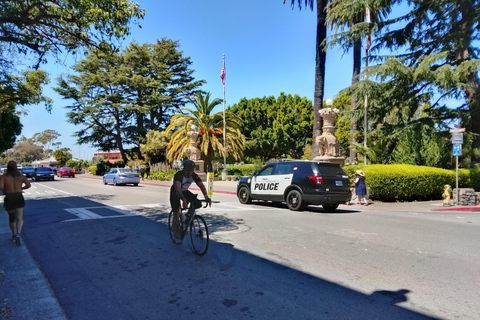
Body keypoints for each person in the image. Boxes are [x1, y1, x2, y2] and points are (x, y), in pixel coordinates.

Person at [170, 159, 211, 244]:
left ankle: (187, 215)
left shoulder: (194, 175)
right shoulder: (179, 175)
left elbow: (201, 186)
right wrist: (184, 200)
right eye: (189, 170)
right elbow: (177, 189)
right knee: (176, 213)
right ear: (184, 169)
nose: (190, 172)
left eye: (192, 170)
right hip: (175, 192)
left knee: (197, 203)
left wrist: (206, 196)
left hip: (184, 191)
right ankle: (176, 234)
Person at [0, 160, 31, 245]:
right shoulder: (21, 176)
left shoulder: (3, 177)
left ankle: (13, 234)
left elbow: (1, 186)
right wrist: (21, 188)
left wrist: (4, 190)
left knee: (11, 218)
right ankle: (18, 234)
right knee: (20, 218)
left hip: (9, 197)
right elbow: (28, 185)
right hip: (18, 196)